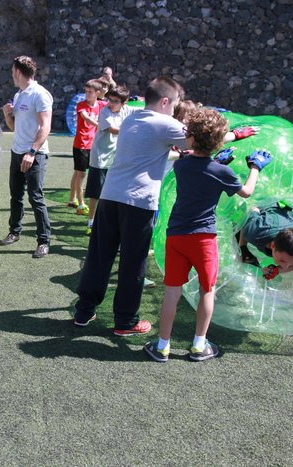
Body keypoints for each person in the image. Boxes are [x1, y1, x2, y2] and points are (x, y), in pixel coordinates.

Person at [73, 76, 257, 336]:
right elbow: (204, 139)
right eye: (174, 105)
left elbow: (161, 150)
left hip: (110, 196)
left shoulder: (131, 119)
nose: (175, 111)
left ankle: (83, 311)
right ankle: (125, 321)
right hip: (138, 202)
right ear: (165, 101)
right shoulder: (164, 123)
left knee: (99, 256)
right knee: (133, 261)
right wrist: (236, 134)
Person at [143, 108, 271, 363]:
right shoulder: (221, 172)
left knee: (172, 292)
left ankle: (162, 346)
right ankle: (199, 345)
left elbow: (197, 166)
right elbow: (245, 191)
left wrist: (218, 161)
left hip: (177, 236)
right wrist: (255, 167)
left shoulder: (182, 164)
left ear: (190, 138)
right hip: (203, 240)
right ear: (217, 142)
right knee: (207, 291)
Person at [0, 55, 53, 258]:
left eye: (13, 71)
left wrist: (32, 152)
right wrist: (7, 115)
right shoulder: (19, 94)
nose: (12, 75)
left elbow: (45, 126)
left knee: (36, 197)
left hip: (35, 154)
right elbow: (14, 127)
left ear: (19, 72)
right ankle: (14, 232)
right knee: (16, 196)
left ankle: (43, 241)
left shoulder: (40, 95)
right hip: (17, 151)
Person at [84, 85, 135, 235]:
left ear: (124, 103)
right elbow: (113, 129)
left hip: (116, 159)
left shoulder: (127, 109)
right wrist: (134, 130)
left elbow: (142, 110)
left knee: (113, 192)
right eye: (109, 100)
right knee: (96, 193)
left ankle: (108, 222)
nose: (110, 103)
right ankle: (91, 223)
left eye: (115, 101)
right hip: (100, 158)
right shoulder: (105, 111)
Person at [237, 202, 293, 280]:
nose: (285, 267)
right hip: (269, 205)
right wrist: (242, 246)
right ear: (272, 245)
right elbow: (252, 207)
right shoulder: (256, 232)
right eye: (282, 261)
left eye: (292, 263)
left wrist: (277, 270)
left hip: (291, 215)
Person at [67, 79, 103, 215]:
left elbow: (113, 102)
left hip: (93, 144)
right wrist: (102, 126)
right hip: (81, 144)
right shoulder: (81, 105)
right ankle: (81, 204)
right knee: (81, 174)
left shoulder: (101, 104)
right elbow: (86, 118)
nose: (87, 94)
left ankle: (72, 199)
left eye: (90, 92)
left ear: (97, 93)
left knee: (78, 172)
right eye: (86, 91)